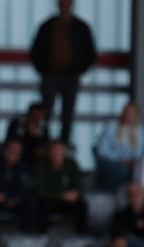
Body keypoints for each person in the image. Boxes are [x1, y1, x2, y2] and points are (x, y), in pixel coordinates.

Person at [29, 0, 96, 142]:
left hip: (71, 76)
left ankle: (62, 146)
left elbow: (90, 53)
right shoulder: (47, 26)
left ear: (71, 4)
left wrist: (81, 70)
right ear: (58, 4)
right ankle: (42, 142)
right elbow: (35, 51)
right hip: (50, 75)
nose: (64, 5)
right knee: (45, 113)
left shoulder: (81, 27)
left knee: (67, 115)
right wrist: (43, 71)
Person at [0, 137, 36, 238]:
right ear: (5, 150)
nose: (15, 155)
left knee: (31, 203)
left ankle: (27, 238)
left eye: (18, 152)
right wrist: (1, 197)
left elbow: (25, 188)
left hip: (16, 201)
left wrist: (14, 197)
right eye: (12, 151)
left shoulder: (22, 167)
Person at [32, 139, 87, 232]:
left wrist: (74, 194)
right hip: (49, 199)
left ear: (64, 153)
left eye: (59, 152)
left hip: (67, 201)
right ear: (48, 152)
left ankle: (81, 235)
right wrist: (61, 195)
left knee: (82, 205)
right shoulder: (41, 165)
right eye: (53, 151)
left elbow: (79, 186)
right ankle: (42, 234)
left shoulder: (71, 165)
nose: (56, 154)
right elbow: (40, 190)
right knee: (42, 204)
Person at [94, 101, 144, 192]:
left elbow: (140, 152)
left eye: (131, 113)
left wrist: (131, 162)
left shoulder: (139, 130)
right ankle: (108, 196)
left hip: (131, 163)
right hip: (112, 161)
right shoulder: (111, 126)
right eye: (126, 112)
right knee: (121, 171)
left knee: (142, 171)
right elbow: (102, 150)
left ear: (136, 115)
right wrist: (120, 159)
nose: (128, 115)